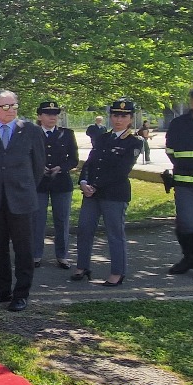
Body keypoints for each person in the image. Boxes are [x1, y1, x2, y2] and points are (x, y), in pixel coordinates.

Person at [0, 89, 45, 312]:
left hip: (22, 199)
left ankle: (21, 294)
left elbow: (38, 166)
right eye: (6, 106)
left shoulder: (31, 130)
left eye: (14, 105)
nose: (11, 110)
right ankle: (2, 290)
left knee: (24, 249)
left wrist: (24, 188)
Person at [72, 100, 144, 286]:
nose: (119, 119)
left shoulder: (134, 141)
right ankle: (82, 267)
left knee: (114, 234)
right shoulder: (103, 138)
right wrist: (83, 181)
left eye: (123, 116)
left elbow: (121, 170)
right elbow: (89, 162)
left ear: (130, 118)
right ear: (110, 116)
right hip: (92, 193)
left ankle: (118, 273)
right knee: (84, 230)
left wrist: (94, 185)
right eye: (115, 115)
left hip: (114, 194)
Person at [32, 101, 78, 270]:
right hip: (39, 182)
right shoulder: (33, 133)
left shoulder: (66, 134)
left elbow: (73, 159)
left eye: (55, 113)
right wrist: (38, 167)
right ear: (39, 116)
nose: (52, 117)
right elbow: (27, 156)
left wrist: (62, 167)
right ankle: (36, 254)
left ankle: (62, 255)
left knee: (62, 219)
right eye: (47, 113)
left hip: (61, 182)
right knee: (37, 220)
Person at [165, 86, 193, 280]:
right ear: (191, 101)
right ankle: (190, 258)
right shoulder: (178, 124)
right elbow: (170, 151)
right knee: (185, 224)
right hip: (184, 183)